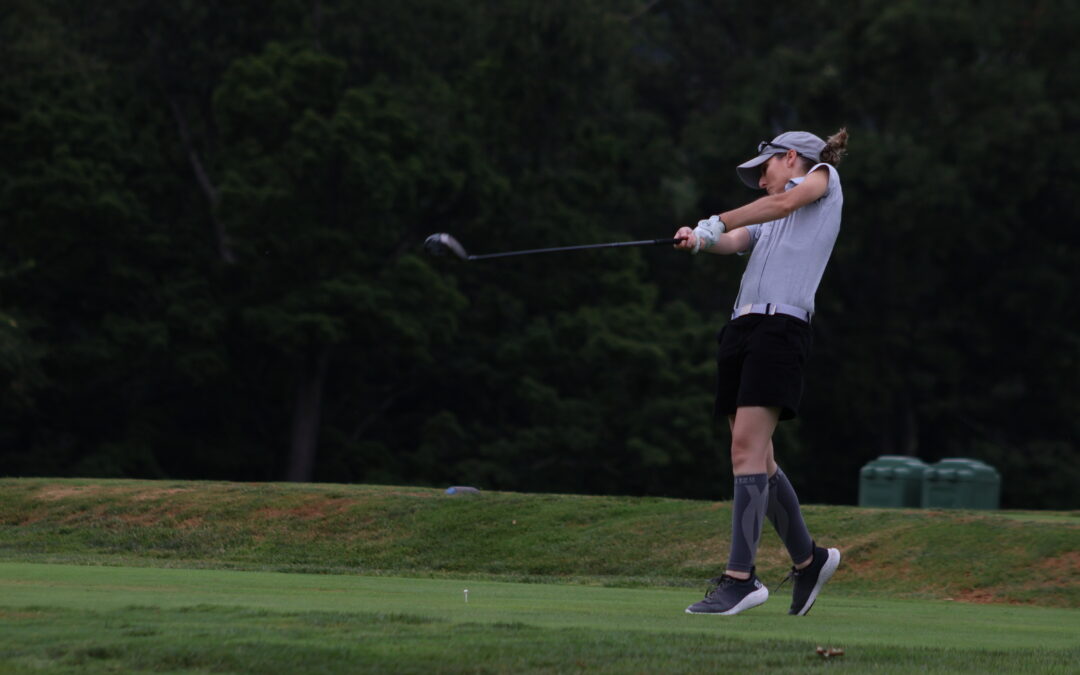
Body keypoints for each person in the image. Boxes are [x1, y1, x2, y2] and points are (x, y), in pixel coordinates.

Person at [675, 128, 849, 616]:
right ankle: (809, 560)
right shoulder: (771, 214)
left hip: (781, 328)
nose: (760, 182)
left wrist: (715, 218)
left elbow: (773, 208)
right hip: (742, 328)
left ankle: (741, 578)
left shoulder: (821, 179)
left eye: (764, 169)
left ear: (791, 157)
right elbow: (734, 240)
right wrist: (701, 240)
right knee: (760, 460)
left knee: (745, 451)